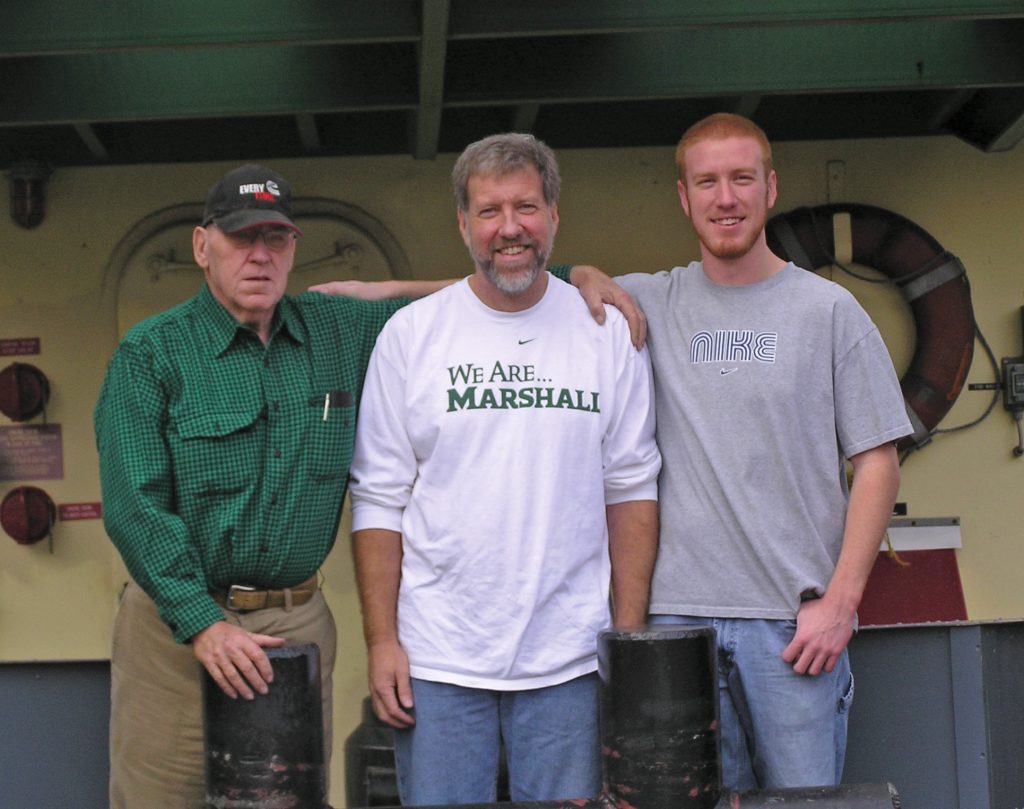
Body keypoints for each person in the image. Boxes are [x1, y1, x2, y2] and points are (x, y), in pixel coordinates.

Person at [95, 163, 643, 809]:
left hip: (294, 622)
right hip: (177, 627)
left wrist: (575, 276)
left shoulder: (339, 328)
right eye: (242, 238)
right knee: (165, 798)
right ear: (201, 245)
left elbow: (492, 288)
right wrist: (203, 623)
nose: (261, 255)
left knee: (288, 798)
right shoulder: (153, 353)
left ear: (294, 246)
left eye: (277, 238)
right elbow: (136, 507)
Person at [566, 113, 912, 790]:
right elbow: (492, 302)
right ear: (684, 197)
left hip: (792, 628)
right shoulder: (647, 302)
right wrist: (579, 272)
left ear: (770, 188)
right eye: (708, 181)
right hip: (675, 628)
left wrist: (841, 601)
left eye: (741, 179)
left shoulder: (829, 311)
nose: (725, 197)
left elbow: (877, 460)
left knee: (804, 807)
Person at [348, 133, 661, 805]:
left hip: (571, 660)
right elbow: (377, 498)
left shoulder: (605, 330)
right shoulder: (411, 335)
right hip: (437, 659)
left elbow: (631, 486)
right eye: (489, 211)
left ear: (555, 216)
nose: (509, 227)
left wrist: (626, 639)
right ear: (463, 225)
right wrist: (382, 641)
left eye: (526, 207)